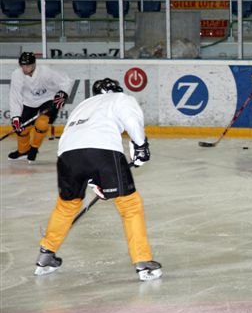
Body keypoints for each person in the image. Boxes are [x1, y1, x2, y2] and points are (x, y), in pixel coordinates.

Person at [34, 78, 162, 281]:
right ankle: (143, 262)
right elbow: (131, 120)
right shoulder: (121, 98)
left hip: (67, 156)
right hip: (103, 151)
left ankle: (45, 255)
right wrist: (140, 147)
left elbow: (79, 138)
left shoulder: (84, 105)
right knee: (129, 205)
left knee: (67, 205)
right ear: (116, 89)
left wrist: (95, 181)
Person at [8, 52, 72, 162]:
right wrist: (15, 117)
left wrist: (63, 94)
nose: (25, 68)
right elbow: (15, 96)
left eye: (27, 66)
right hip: (28, 102)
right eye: (22, 66)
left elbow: (66, 81)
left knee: (42, 123)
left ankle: (34, 148)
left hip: (48, 100)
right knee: (21, 129)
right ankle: (23, 151)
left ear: (33, 65)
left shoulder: (45, 72)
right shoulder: (16, 75)